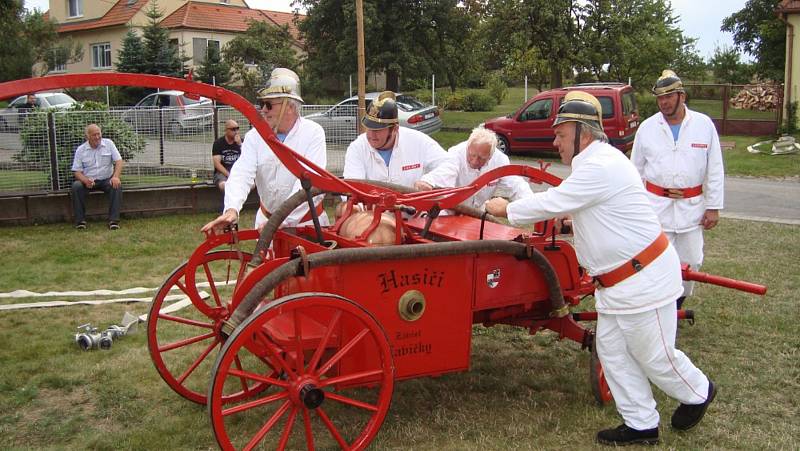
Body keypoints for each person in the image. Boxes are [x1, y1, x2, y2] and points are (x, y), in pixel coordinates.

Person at [486, 91, 715, 447]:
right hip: (617, 284)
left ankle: (699, 391)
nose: (555, 141)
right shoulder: (593, 165)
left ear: (583, 133)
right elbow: (594, 213)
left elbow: (554, 200)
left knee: (655, 356)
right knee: (612, 351)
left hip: (643, 280)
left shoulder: (600, 165)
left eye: (561, 134)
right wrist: (570, 223)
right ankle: (641, 423)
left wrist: (506, 208)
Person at [631, 70, 724, 310]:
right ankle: (660, 307)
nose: (664, 103)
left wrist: (713, 207)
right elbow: (635, 171)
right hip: (656, 207)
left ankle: (677, 304)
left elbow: (714, 169)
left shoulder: (703, 125)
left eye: (669, 97)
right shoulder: (647, 128)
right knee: (657, 261)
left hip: (691, 209)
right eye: (660, 98)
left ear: (682, 96)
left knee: (691, 261)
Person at [202, 68, 328, 233]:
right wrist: (231, 209)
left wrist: (281, 220)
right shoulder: (255, 137)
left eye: (269, 105)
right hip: (266, 223)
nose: (263, 110)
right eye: (262, 104)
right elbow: (242, 173)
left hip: (306, 226)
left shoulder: (313, 133)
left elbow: (309, 181)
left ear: (289, 106)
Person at [342, 91, 448, 187]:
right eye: (368, 128)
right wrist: (357, 207)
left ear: (395, 129)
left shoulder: (418, 141)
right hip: (371, 208)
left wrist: (429, 180)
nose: (371, 134)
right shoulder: (357, 148)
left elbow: (449, 164)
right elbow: (353, 185)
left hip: (413, 207)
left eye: (378, 130)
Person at [413, 127, 532, 208]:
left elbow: (516, 184)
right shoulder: (456, 153)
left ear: (491, 155)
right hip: (449, 210)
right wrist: (428, 181)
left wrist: (531, 203)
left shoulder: (500, 160)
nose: (474, 161)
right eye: (471, 155)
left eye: (481, 158)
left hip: (477, 211)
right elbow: (445, 171)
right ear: (468, 147)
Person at [70, 124, 124, 230]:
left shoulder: (109, 144)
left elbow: (119, 161)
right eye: (94, 135)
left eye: (99, 134)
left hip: (106, 179)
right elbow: (76, 171)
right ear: (87, 137)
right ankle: (80, 221)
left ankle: (114, 221)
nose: (97, 137)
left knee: (116, 185)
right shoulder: (81, 150)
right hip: (89, 181)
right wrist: (85, 180)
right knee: (76, 186)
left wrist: (116, 177)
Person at [211, 119, 242, 192]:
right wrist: (229, 175)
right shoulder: (218, 143)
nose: (236, 132)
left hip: (238, 172)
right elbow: (217, 164)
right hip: (223, 172)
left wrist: (240, 144)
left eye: (237, 128)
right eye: (233, 129)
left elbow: (248, 159)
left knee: (252, 184)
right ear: (226, 130)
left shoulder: (242, 142)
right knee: (224, 185)